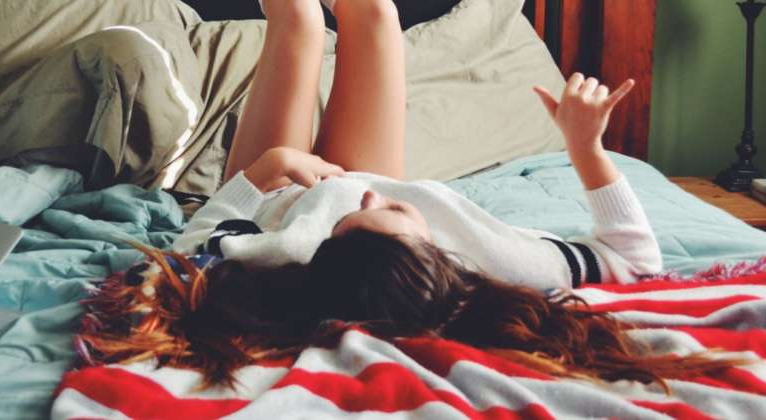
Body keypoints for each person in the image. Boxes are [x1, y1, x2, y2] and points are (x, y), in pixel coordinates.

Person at [76, 0, 735, 389]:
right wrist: (587, 151)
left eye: (351, 225)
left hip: (285, 188)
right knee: (376, 13)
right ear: (438, 253)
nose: (365, 200)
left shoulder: (280, 260)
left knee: (297, 18)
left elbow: (186, 252)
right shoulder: (493, 261)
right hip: (371, 170)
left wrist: (265, 172)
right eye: (390, 213)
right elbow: (634, 259)